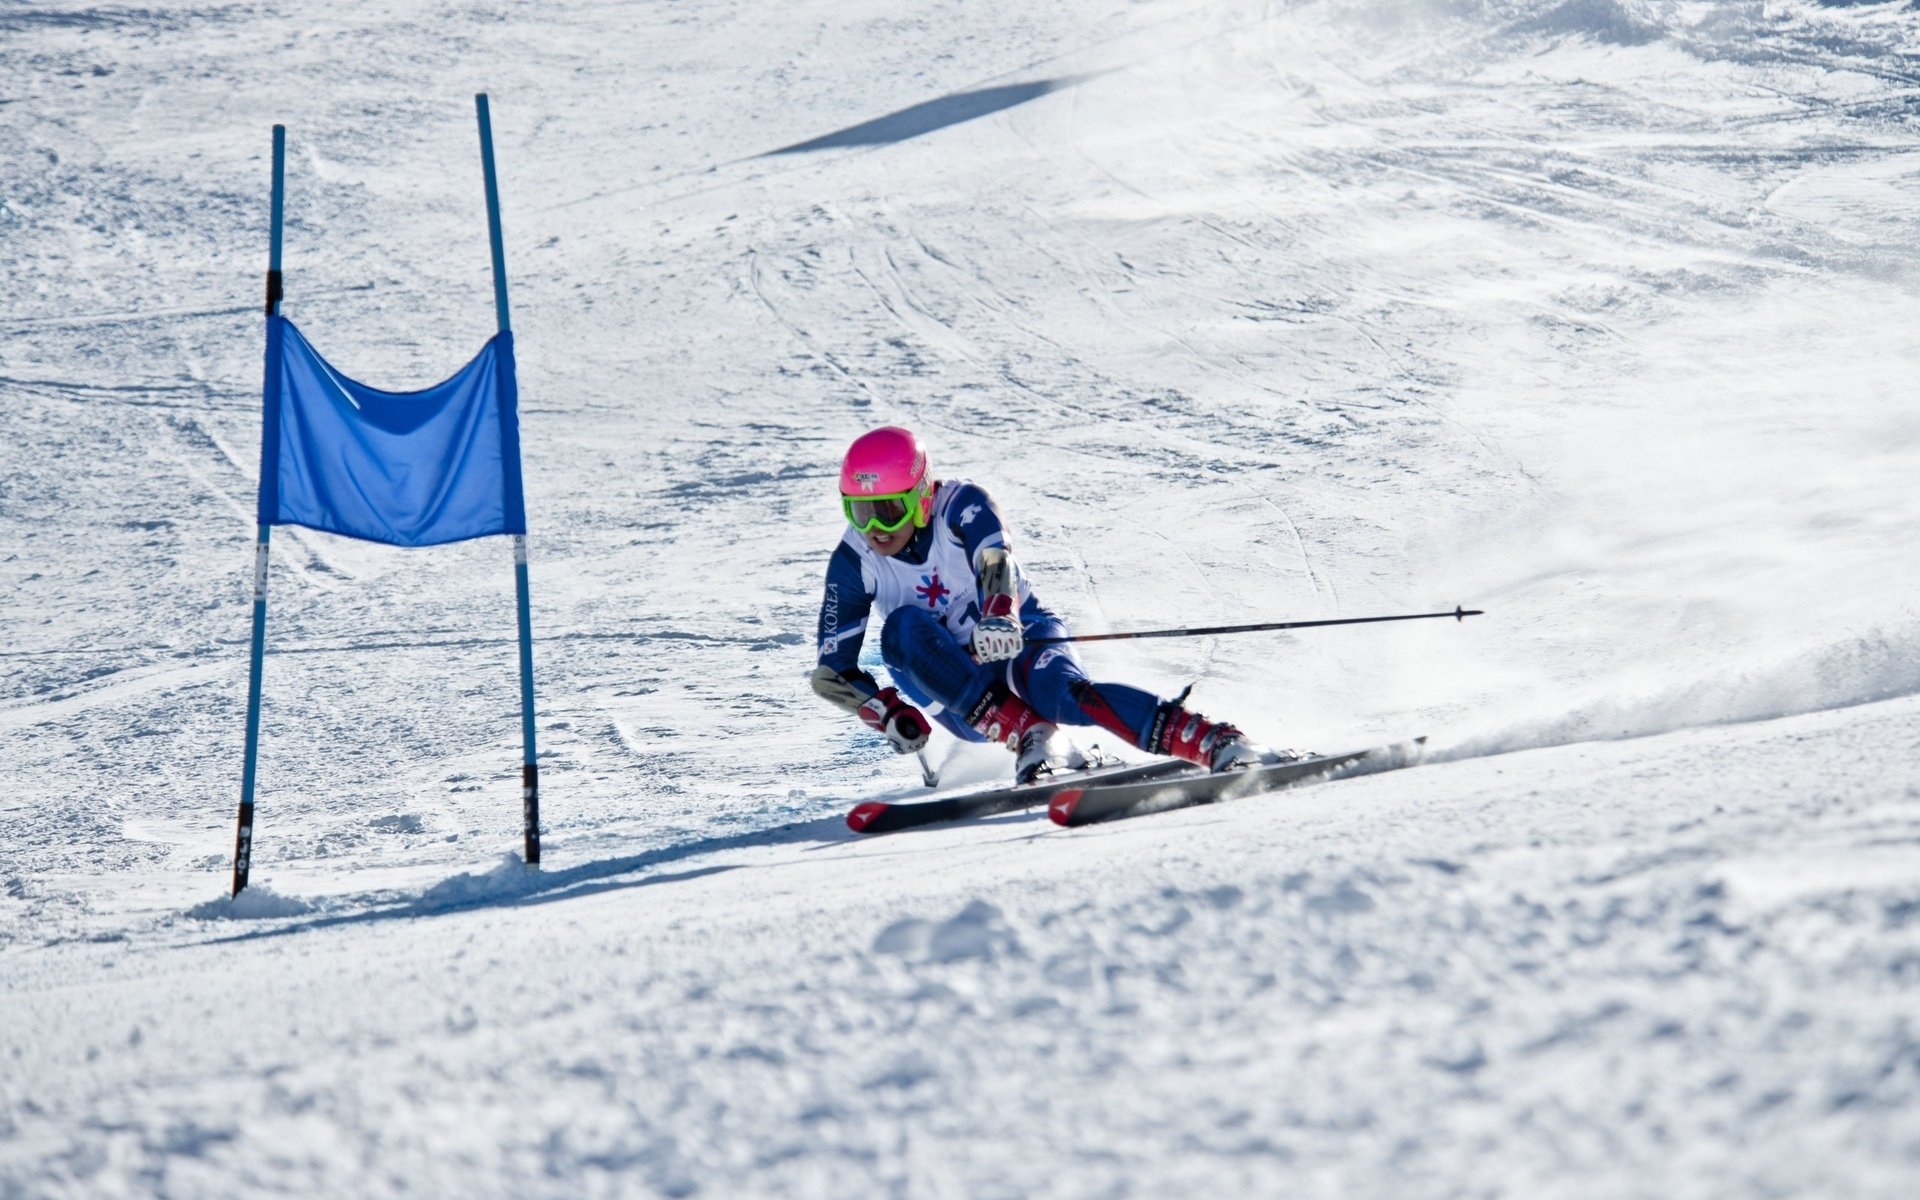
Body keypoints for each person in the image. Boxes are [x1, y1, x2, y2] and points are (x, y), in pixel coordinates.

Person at [809, 425, 1292, 785]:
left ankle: (1215, 741)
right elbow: (832, 671)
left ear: (920, 495)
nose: (876, 528)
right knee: (901, 631)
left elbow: (994, 555)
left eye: (888, 509)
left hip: (1016, 639)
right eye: (860, 510)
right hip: (960, 693)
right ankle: (1036, 738)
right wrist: (886, 711)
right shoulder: (855, 560)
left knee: (1063, 693)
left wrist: (999, 611)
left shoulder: (961, 504)